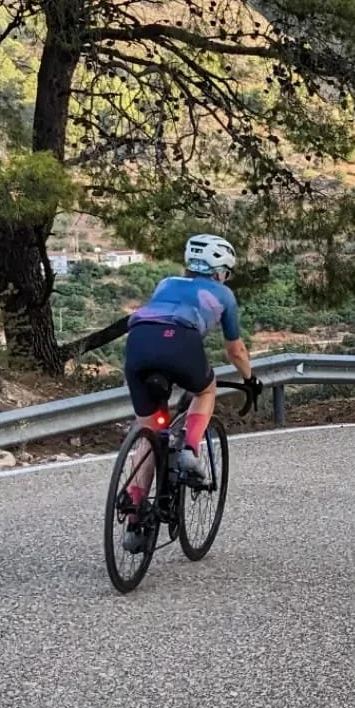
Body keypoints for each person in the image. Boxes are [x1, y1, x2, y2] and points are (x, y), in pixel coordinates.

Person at [119, 233, 260, 551]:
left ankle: (134, 513)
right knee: (206, 390)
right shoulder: (223, 294)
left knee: (149, 426)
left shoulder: (166, 283)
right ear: (222, 268)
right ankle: (191, 450)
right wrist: (249, 379)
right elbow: (235, 350)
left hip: (139, 342)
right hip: (180, 342)